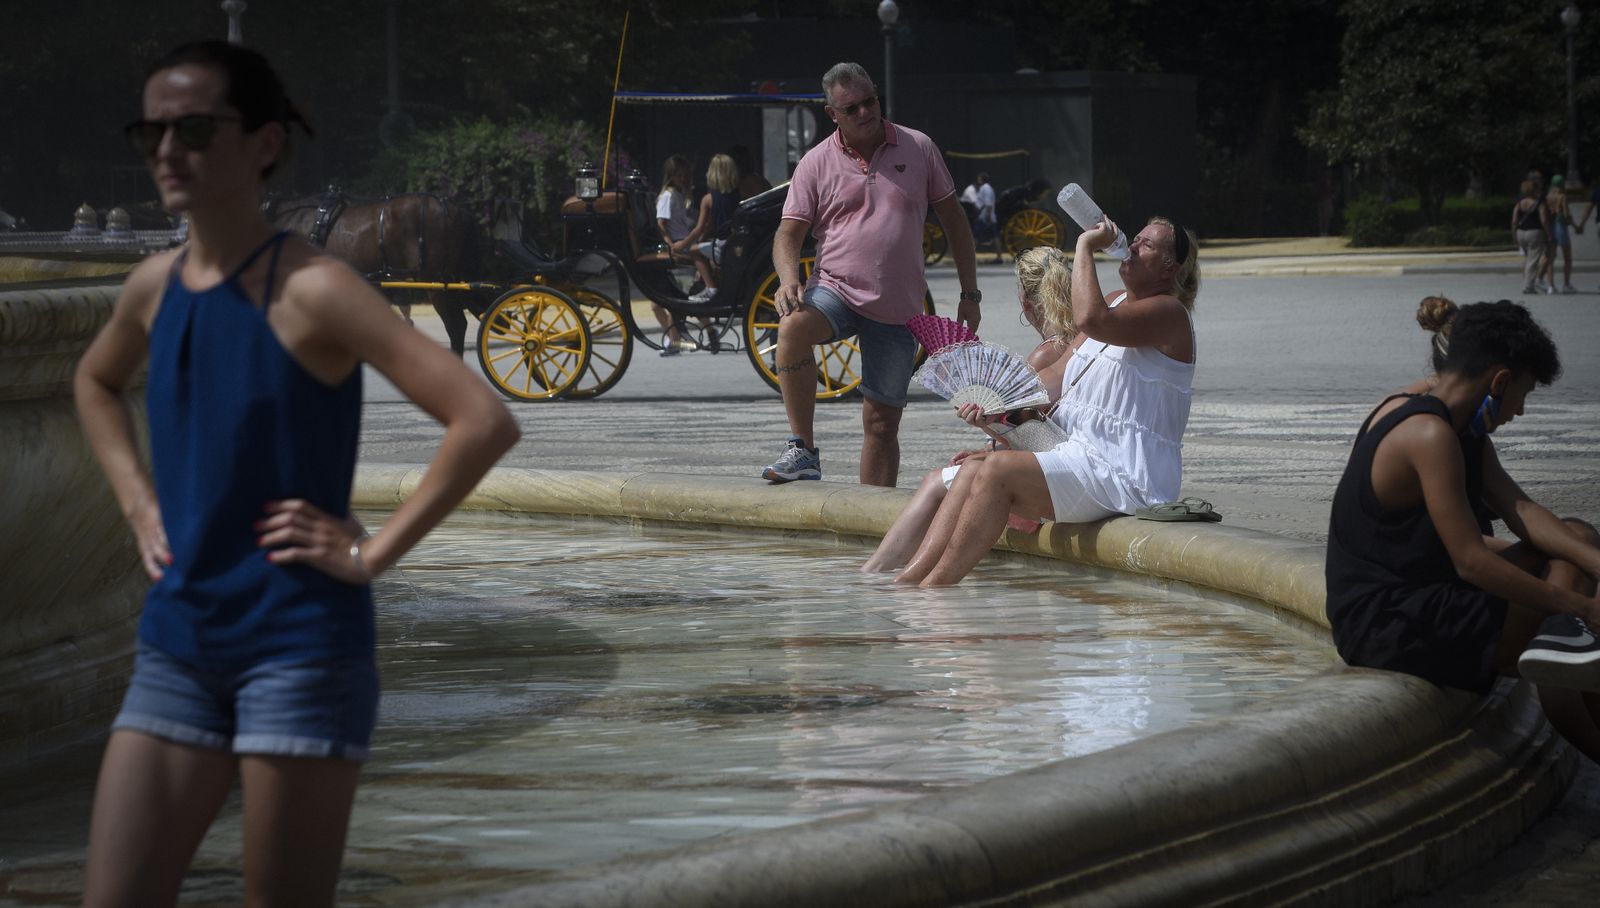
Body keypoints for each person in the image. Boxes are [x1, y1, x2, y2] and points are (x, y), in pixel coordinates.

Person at [73, 41, 520, 907]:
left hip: (299, 648)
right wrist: (138, 505)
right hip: (176, 642)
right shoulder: (152, 286)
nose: (166, 150)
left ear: (265, 143)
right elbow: (93, 382)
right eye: (150, 132)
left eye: (193, 129)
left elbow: (482, 419)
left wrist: (369, 554)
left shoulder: (316, 288)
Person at [1324, 299, 1600, 761]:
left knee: (1578, 538)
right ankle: (1563, 681)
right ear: (1499, 381)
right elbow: (1470, 562)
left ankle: (1562, 663)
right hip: (1388, 621)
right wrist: (1580, 607)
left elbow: (1521, 510)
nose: (1520, 411)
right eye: (1524, 395)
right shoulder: (1427, 434)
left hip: (1431, 590)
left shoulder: (1455, 421)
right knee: (1570, 607)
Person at [890, 215, 1200, 586]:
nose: (1132, 247)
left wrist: (1085, 245)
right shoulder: (1116, 301)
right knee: (972, 469)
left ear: (1170, 269)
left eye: (1146, 245)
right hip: (1077, 454)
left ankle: (936, 588)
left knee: (996, 471)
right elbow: (1054, 376)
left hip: (1124, 473)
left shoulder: (1170, 313)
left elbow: (1090, 319)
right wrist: (996, 405)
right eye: (1134, 239)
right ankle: (910, 582)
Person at [762, 61, 980, 486]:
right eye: (851, 108)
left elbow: (955, 222)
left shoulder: (919, 147)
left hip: (899, 306)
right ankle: (803, 449)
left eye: (870, 101)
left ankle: (875, 520)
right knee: (791, 329)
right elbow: (788, 234)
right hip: (835, 290)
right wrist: (788, 279)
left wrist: (969, 294)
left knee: (881, 424)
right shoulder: (814, 162)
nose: (865, 113)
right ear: (832, 114)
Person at [862, 245, 1076, 573]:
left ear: (1025, 303)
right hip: (1064, 460)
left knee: (935, 482)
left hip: (1046, 472)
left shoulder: (1045, 355)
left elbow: (1025, 431)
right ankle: (897, 572)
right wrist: (987, 448)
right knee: (957, 472)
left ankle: (878, 572)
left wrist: (986, 429)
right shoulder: (1080, 341)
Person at [653, 153, 717, 355]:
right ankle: (681, 337)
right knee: (683, 298)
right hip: (679, 243)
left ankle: (675, 340)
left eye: (684, 175)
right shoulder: (669, 195)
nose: (682, 179)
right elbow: (661, 223)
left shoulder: (676, 195)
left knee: (666, 302)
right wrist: (670, 244)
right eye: (678, 175)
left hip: (683, 244)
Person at [692, 153, 740, 268]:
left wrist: (682, 245)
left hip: (721, 245)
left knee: (693, 250)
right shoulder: (740, 195)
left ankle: (708, 280)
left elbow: (700, 228)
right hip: (737, 243)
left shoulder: (708, 199)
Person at [1511, 179, 1549, 296]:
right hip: (1534, 232)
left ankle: (1526, 282)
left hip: (1521, 232)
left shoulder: (1519, 203)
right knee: (1533, 260)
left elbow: (1514, 221)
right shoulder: (1538, 203)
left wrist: (1514, 235)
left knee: (1527, 258)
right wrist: (1549, 234)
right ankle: (1528, 286)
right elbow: (1544, 220)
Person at [1543, 173, 1577, 293]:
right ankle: (1566, 284)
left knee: (1551, 258)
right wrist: (1575, 226)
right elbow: (1566, 215)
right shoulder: (1562, 196)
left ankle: (1551, 286)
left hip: (1551, 226)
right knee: (1567, 257)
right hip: (1561, 227)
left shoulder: (1548, 197)